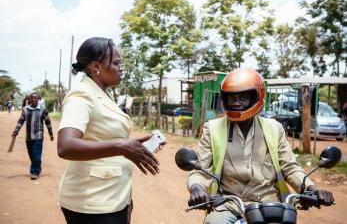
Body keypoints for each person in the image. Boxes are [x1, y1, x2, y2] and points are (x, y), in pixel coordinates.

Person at [187, 69, 334, 224]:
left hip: (269, 204)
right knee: (214, 222)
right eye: (232, 97)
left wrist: (312, 189)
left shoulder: (274, 128)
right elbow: (200, 169)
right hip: (228, 204)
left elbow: (290, 168)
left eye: (243, 97)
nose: (236, 102)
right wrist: (197, 187)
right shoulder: (213, 129)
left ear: (257, 97)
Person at [57, 37, 163, 224]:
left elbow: (105, 137)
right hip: (93, 203)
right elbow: (66, 146)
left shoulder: (100, 93)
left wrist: (133, 145)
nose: (121, 68)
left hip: (113, 195)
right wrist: (121, 146)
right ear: (96, 66)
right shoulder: (81, 95)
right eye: (116, 63)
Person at [12, 92, 54, 180]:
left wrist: (51, 133)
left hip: (38, 136)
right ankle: (38, 165)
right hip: (28, 137)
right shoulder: (25, 109)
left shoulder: (42, 109)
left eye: (35, 98)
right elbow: (20, 121)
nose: (33, 100)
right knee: (32, 155)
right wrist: (16, 131)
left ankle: (34, 172)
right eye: (32, 98)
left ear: (38, 99)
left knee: (37, 155)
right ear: (29, 100)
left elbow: (47, 122)